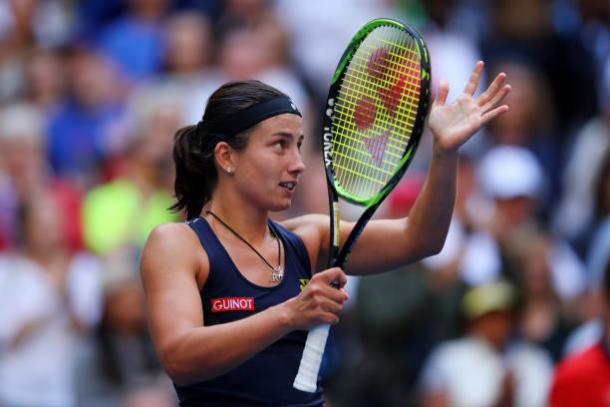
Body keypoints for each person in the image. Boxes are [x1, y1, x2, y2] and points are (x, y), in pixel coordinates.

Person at [140, 61, 511, 406]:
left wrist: (445, 154)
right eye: (280, 145)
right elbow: (179, 356)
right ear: (226, 156)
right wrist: (289, 313)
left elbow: (422, 238)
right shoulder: (177, 244)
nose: (298, 164)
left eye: (299, 146)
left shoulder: (309, 237)